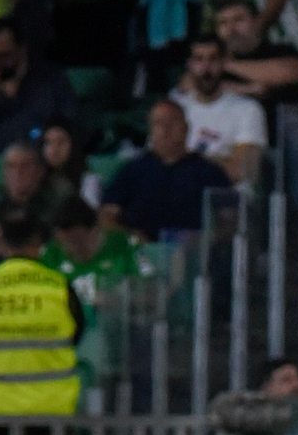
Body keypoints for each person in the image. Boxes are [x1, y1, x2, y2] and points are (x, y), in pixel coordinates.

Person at [0, 215, 84, 417]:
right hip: (51, 406)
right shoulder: (58, 286)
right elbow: (76, 334)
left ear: (1, 244)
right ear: (37, 243)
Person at [100, 99, 233, 242]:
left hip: (194, 255)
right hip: (140, 255)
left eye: (172, 122)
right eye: (158, 123)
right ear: (150, 130)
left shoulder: (209, 171)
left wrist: (203, 241)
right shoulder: (132, 170)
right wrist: (129, 237)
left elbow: (229, 219)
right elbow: (107, 214)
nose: (165, 129)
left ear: (186, 128)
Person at [0, 17, 76, 155]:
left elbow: (66, 125)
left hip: (37, 161)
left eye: (3, 56)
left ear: (21, 50)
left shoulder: (51, 82)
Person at [172, 35, 267, 185]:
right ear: (189, 64)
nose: (206, 67)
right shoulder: (176, 107)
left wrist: (182, 159)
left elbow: (241, 171)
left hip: (223, 199)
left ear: (223, 63)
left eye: (213, 59)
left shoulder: (247, 110)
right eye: (199, 59)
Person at [43, 195, 143, 329]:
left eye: (78, 242)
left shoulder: (125, 246)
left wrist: (118, 299)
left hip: (118, 331)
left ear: (96, 230)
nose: (72, 249)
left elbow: (156, 292)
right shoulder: (51, 254)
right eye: (65, 243)